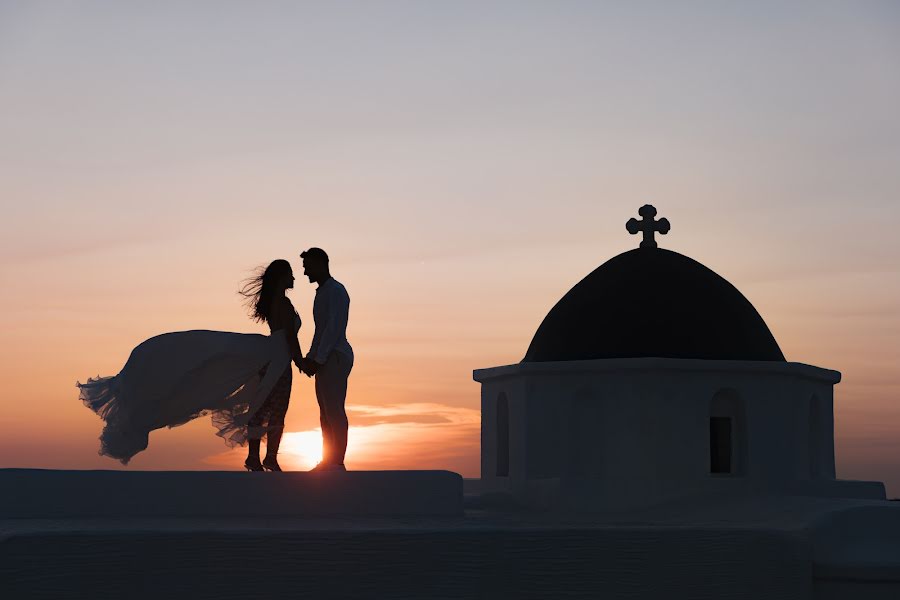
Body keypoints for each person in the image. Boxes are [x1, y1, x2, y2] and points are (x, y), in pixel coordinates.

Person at [76, 259, 305, 469]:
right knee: (276, 409)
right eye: (291, 275)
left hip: (267, 357)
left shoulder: (271, 302)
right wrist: (301, 361)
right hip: (278, 359)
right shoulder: (283, 303)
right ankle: (269, 457)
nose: (294, 279)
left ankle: (255, 457)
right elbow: (289, 338)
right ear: (282, 277)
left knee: (259, 405)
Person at [299, 248, 354, 472]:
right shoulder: (322, 292)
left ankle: (337, 462)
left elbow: (334, 328)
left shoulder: (336, 291)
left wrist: (318, 359)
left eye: (308, 267)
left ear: (321, 264)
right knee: (324, 412)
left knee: (334, 410)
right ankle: (328, 460)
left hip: (336, 356)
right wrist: (312, 358)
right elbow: (320, 331)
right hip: (325, 357)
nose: (305, 273)